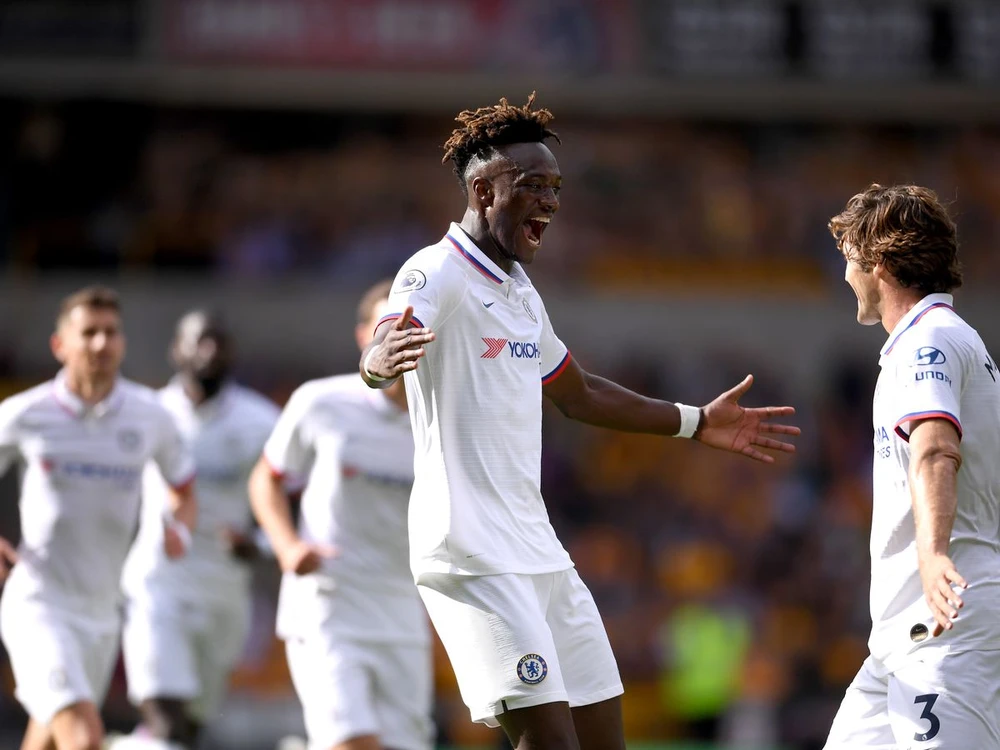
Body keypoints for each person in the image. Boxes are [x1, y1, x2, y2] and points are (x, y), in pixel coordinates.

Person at [358, 93, 800, 750]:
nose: (550, 201)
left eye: (555, 188)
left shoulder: (519, 293)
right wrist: (378, 362)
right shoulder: (436, 269)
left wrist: (694, 421)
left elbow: (579, 393)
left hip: (536, 548)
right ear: (483, 190)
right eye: (532, 186)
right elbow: (391, 334)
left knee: (603, 736)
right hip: (471, 552)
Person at [823, 184, 1000, 748]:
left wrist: (933, 554)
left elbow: (935, 448)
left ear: (877, 262)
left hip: (946, 624)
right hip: (898, 640)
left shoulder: (930, 342)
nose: (846, 274)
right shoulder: (945, 341)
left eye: (849, 258)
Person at [0, 286, 196, 750]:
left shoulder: (151, 416)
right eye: (88, 332)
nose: (102, 343)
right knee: (84, 737)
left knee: (50, 737)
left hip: (103, 613)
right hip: (39, 604)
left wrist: (179, 527)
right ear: (60, 345)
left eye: (111, 332)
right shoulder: (26, 413)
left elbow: (183, 488)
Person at [249, 279, 434, 750]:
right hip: (328, 605)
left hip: (401, 611)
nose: (398, 336)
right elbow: (266, 478)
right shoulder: (321, 403)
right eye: (386, 326)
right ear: (363, 337)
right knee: (352, 743)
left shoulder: (442, 422)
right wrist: (287, 546)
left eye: (411, 326)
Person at [115, 311, 280, 749]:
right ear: (176, 350)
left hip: (224, 591)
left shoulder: (262, 421)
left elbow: (293, 500)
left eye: (219, 342)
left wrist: (261, 543)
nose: (210, 351)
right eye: (199, 340)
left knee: (190, 728)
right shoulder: (150, 414)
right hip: (159, 583)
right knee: (166, 718)